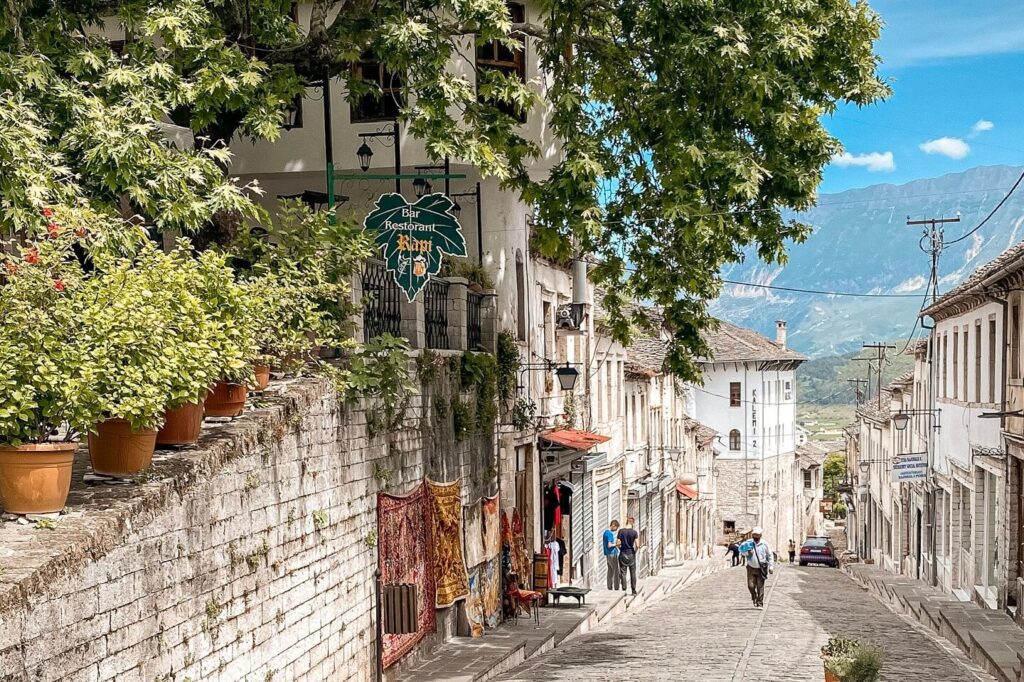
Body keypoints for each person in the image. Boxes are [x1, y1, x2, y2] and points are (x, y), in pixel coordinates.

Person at [741, 527, 774, 609]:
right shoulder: (748, 543)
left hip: (761, 568)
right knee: (750, 586)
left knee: (760, 586)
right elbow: (742, 552)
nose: (755, 537)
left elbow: (770, 555)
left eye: (757, 535)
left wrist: (771, 566)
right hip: (751, 567)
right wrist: (747, 553)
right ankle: (754, 596)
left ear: (760, 535)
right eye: (754, 535)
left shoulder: (764, 544)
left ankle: (760, 603)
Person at [616, 517, 640, 596]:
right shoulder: (634, 532)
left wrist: (621, 549)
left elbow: (618, 543)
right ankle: (633, 590)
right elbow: (638, 545)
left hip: (623, 553)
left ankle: (624, 590)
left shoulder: (621, 531)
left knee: (623, 572)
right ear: (632, 523)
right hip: (631, 554)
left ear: (626, 522)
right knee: (632, 573)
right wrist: (634, 552)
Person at [603, 520, 622, 590]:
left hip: (607, 554)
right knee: (616, 571)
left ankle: (609, 586)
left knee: (610, 570)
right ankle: (616, 587)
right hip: (612, 554)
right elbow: (609, 545)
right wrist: (616, 544)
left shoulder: (605, 532)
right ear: (613, 525)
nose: (616, 530)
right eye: (616, 528)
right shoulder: (609, 533)